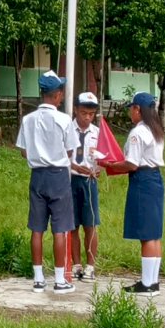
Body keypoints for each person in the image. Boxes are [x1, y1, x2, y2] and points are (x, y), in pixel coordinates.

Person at [16, 70, 78, 293]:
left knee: (37, 228)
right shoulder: (64, 120)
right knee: (60, 229)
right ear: (58, 94)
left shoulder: (28, 119)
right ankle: (60, 280)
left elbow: (23, 151)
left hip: (37, 176)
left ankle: (38, 279)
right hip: (58, 175)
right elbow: (70, 151)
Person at [108, 92, 165, 296]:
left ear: (138, 109)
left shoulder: (138, 132)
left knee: (146, 235)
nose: (130, 112)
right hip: (155, 179)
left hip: (142, 180)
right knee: (154, 233)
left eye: (131, 108)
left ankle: (147, 284)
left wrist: (109, 165)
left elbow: (131, 164)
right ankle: (153, 281)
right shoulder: (156, 130)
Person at [68, 91, 102, 280]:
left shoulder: (97, 133)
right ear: (75, 110)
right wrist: (74, 167)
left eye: (91, 114)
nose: (87, 117)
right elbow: (60, 156)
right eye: (83, 113)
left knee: (90, 223)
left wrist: (99, 169)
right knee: (72, 224)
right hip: (71, 180)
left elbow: (104, 157)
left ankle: (90, 265)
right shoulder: (67, 130)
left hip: (89, 181)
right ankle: (76, 264)